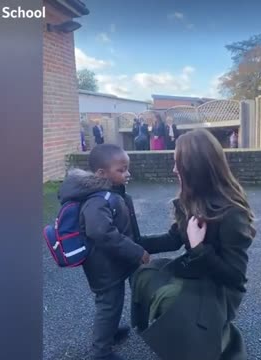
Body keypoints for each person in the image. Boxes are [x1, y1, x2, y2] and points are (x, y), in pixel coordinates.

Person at [130, 129, 256, 360]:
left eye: (178, 163)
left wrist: (199, 249)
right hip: (195, 270)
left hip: (220, 287)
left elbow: (236, 277)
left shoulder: (231, 213)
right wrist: (132, 243)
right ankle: (171, 332)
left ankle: (217, 338)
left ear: (194, 167)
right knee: (144, 274)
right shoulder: (189, 199)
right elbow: (172, 239)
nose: (174, 169)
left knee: (170, 297)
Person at [57, 144, 151, 360]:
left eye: (127, 168)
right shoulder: (97, 200)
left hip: (109, 263)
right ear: (102, 173)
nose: (128, 174)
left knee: (113, 303)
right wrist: (136, 252)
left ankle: (109, 332)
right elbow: (101, 231)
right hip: (103, 266)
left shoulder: (105, 193)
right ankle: (100, 352)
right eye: (122, 170)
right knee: (108, 305)